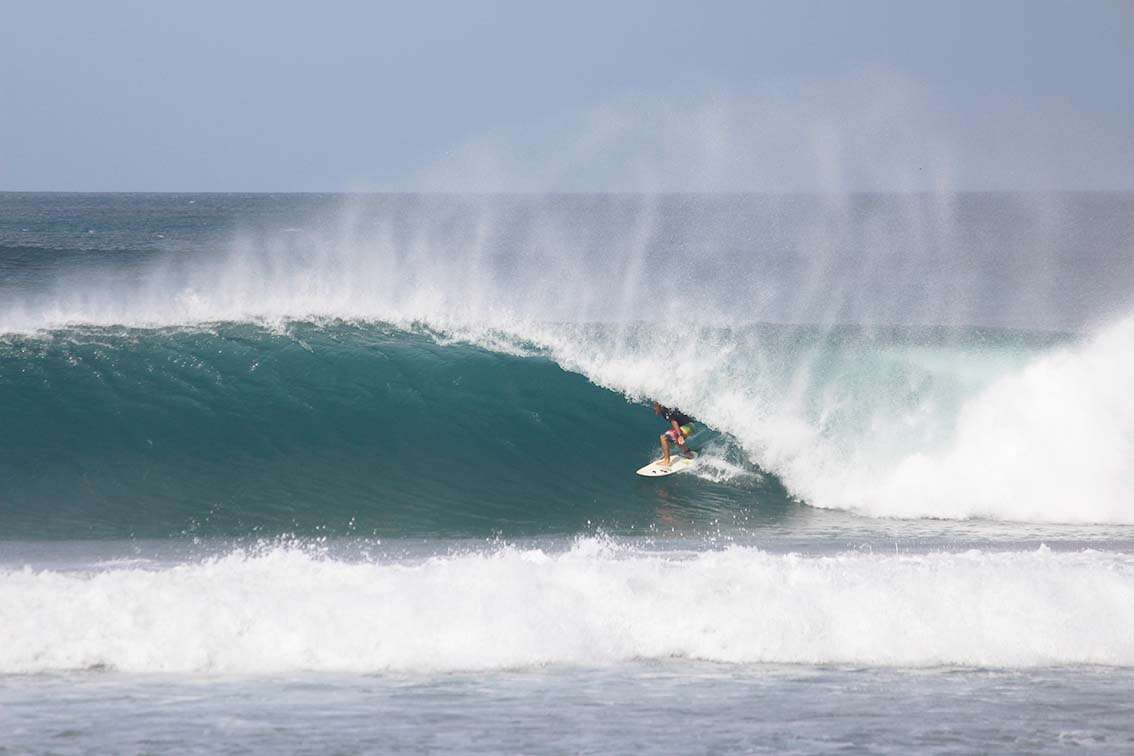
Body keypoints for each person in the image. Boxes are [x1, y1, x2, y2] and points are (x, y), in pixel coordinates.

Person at [653, 402, 695, 467]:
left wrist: (680, 435)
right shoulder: (667, 409)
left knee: (664, 437)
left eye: (655, 406)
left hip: (688, 427)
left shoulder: (666, 412)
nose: (654, 408)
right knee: (675, 438)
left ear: (660, 406)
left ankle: (666, 461)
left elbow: (674, 422)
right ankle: (688, 454)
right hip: (690, 426)